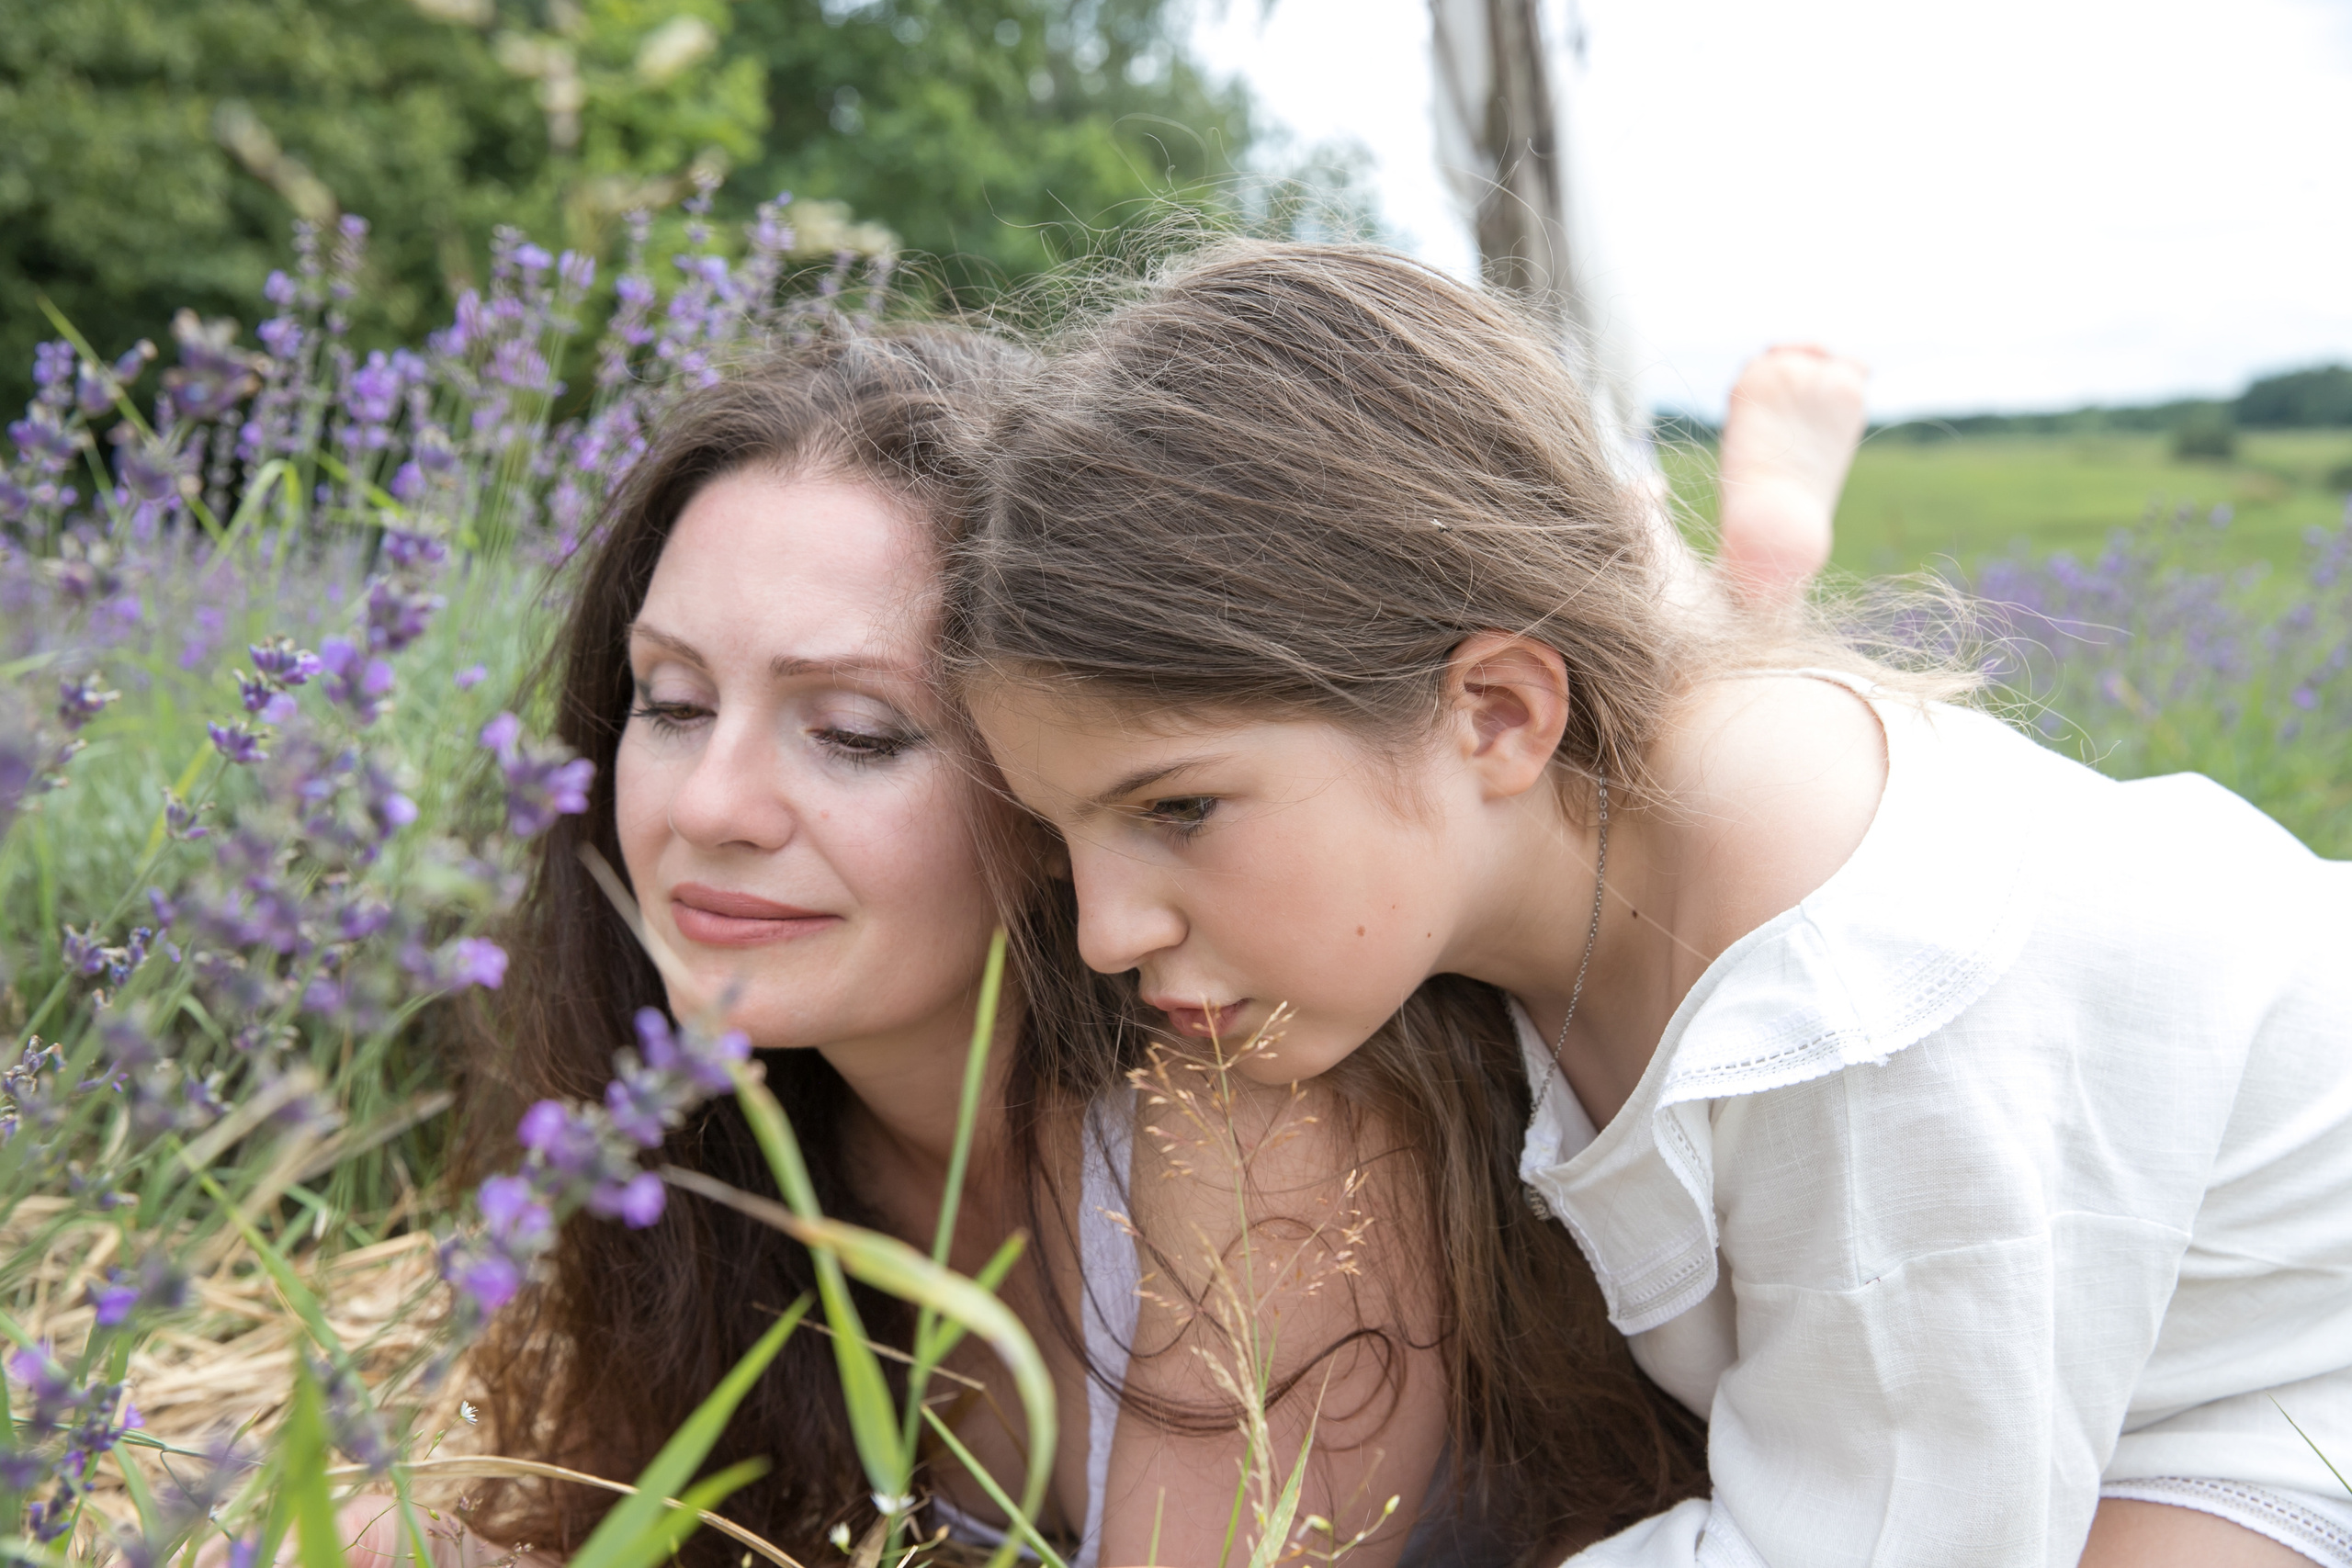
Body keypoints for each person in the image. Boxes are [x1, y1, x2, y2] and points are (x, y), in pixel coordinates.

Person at [945, 241, 2352, 1567]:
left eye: (1178, 809)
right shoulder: (1571, 785)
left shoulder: (1859, 1002)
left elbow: (1878, 1544)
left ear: (1497, 713)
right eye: (1066, 839)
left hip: (2278, 1395)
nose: (1107, 932)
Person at [424, 326, 1711, 1568]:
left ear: (1050, 781)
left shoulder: (1254, 1114)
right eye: (672, 704)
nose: (707, 807)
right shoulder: (730, 1146)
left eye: (857, 733)